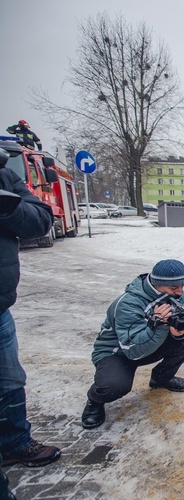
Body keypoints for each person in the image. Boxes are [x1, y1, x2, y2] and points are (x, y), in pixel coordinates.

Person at [80, 259, 184, 429]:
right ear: (158, 284)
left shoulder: (174, 295)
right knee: (114, 386)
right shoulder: (128, 303)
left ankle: (161, 379)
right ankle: (95, 400)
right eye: (174, 288)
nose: (180, 292)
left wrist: (181, 331)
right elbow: (133, 351)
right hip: (119, 352)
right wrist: (159, 325)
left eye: (182, 286)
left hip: (148, 345)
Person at [0, 147, 60, 467]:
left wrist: (6, 207)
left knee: (10, 380)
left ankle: (14, 442)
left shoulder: (5, 176)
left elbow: (41, 219)